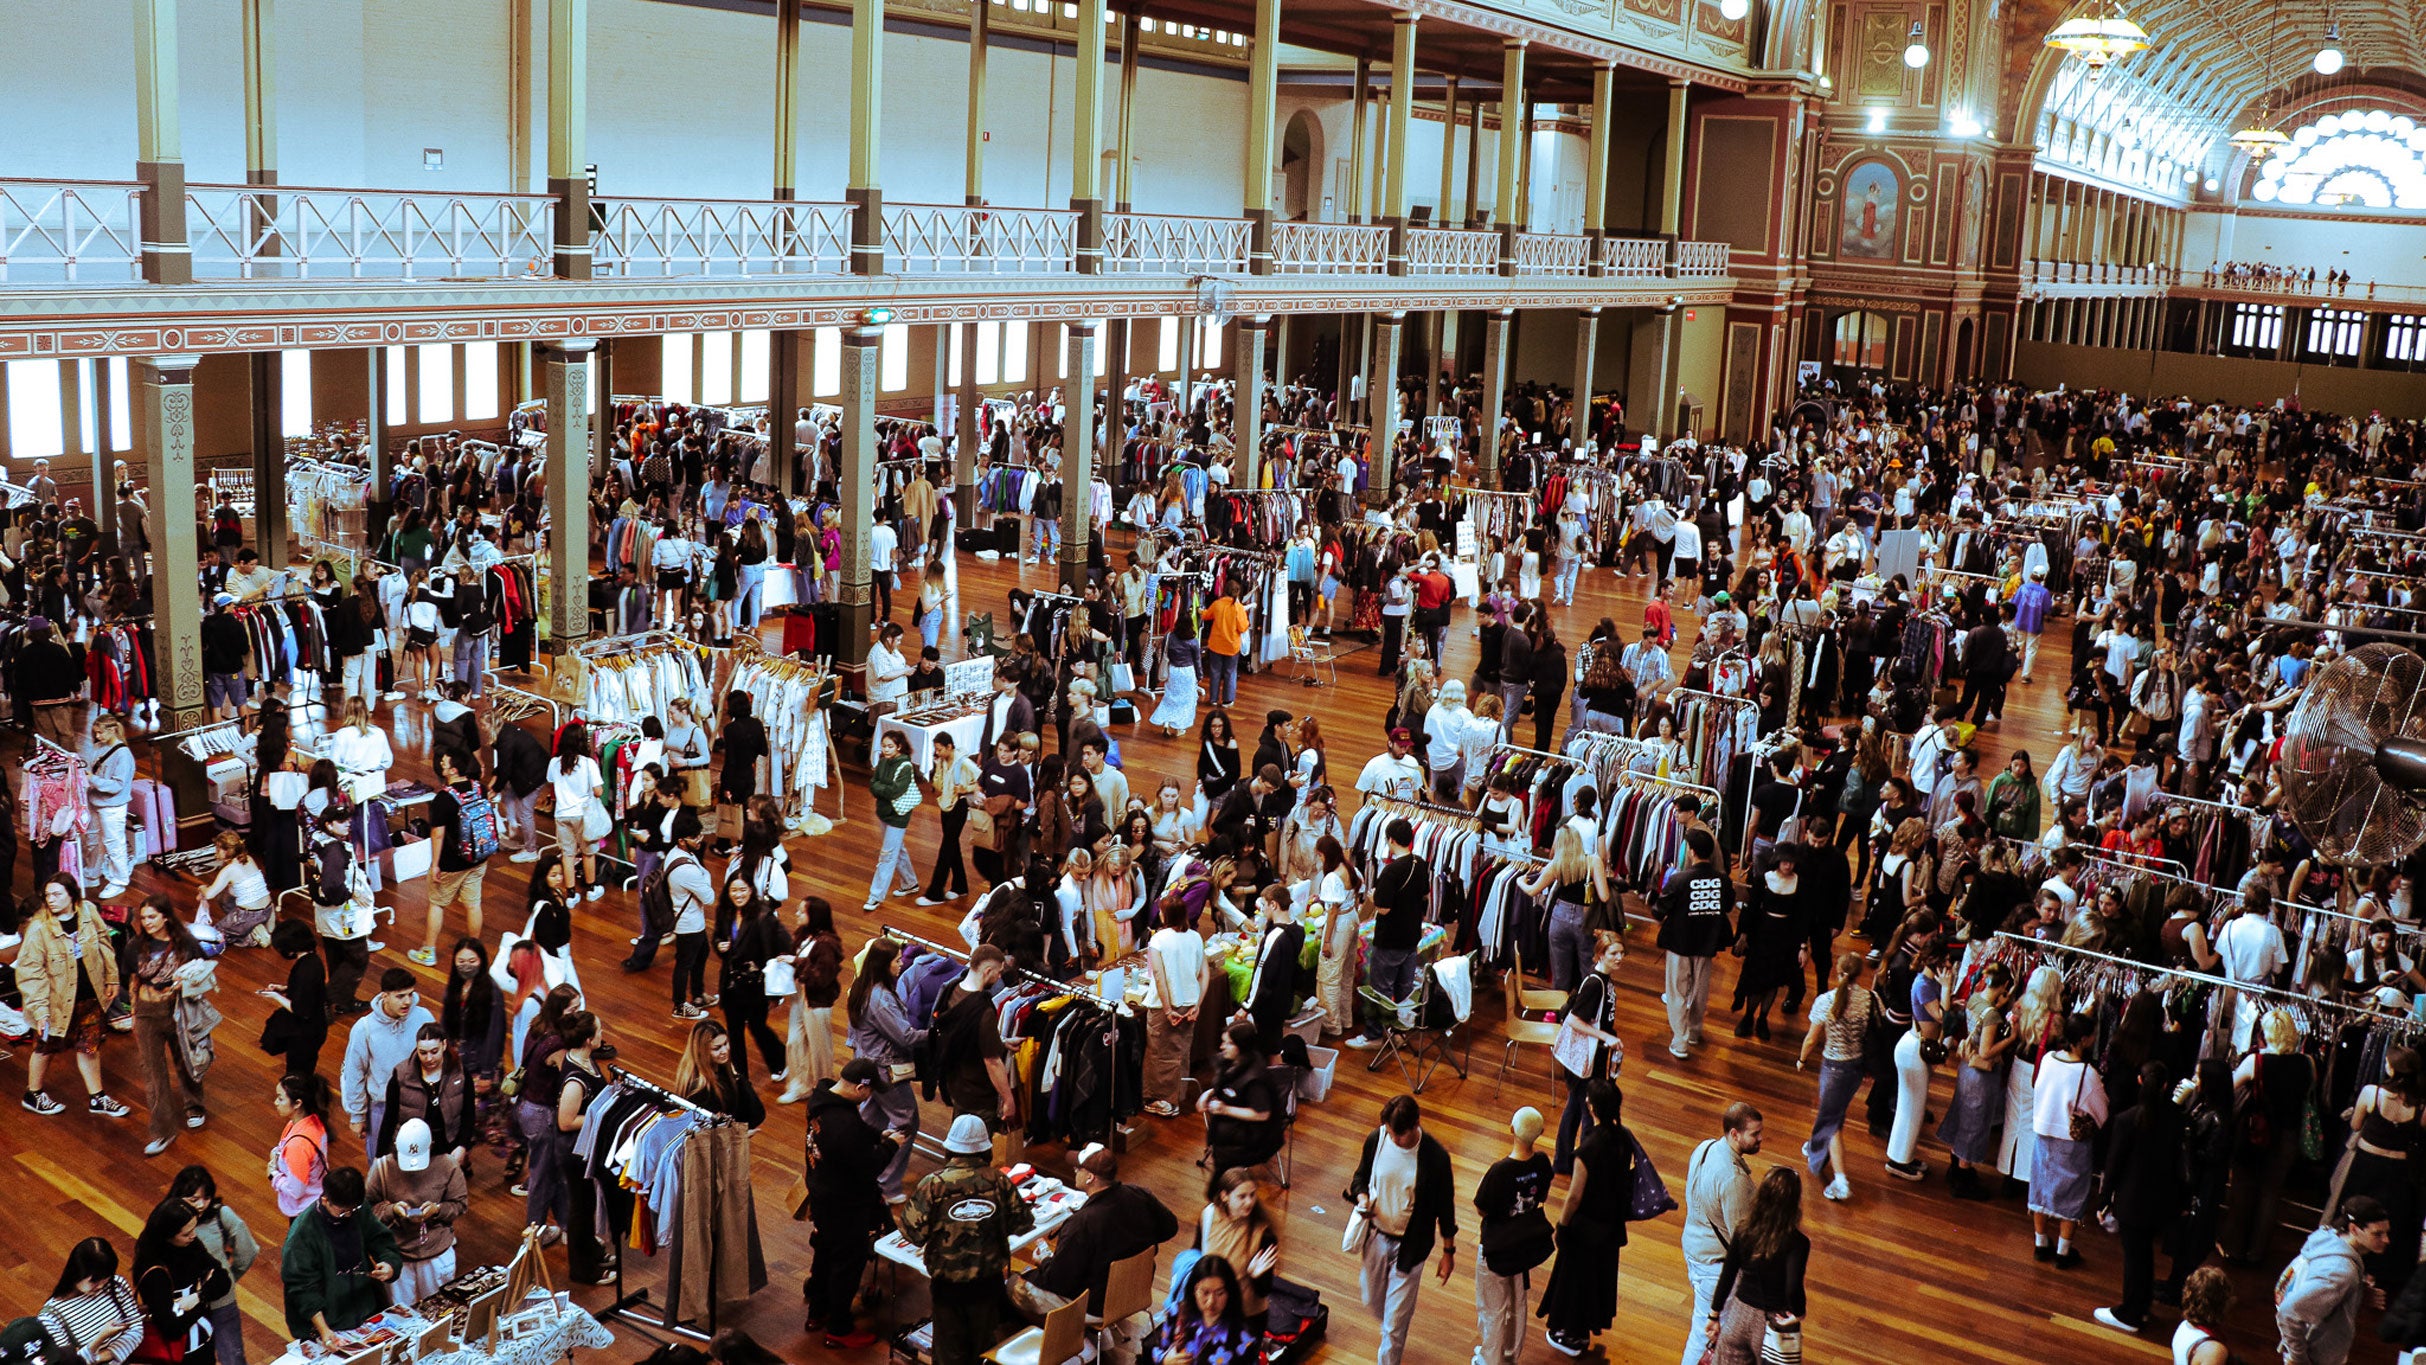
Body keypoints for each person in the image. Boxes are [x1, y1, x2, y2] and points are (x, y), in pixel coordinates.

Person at [1025, 1144, 1179, 1363]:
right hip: (1134, 1291)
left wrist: (1044, 1260)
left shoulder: (1082, 1224)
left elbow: (1058, 1281)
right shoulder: (1139, 1194)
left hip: (1096, 1305)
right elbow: (1170, 1227)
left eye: (1078, 1169)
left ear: (1090, 1177)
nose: (1075, 1172)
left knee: (1014, 1285)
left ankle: (1075, 1343)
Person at [903, 1114, 1034, 1365]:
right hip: (988, 1284)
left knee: (949, 1353)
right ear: (985, 1149)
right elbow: (1023, 1223)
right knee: (985, 1350)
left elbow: (913, 1233)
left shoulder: (933, 1184)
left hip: (947, 1288)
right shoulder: (999, 1181)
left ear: (950, 1148)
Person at [1348, 1094, 1459, 1365]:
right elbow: (1360, 1177)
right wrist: (1362, 1197)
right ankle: (1391, 1326)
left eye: (1400, 1135)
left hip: (1411, 1247)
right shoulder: (1377, 1139)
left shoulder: (1435, 1158)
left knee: (1394, 1325)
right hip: (1375, 1238)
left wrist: (1448, 1252)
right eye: (1391, 1133)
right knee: (1372, 1301)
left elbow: (1446, 1208)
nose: (1395, 1140)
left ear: (1416, 1124)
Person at [801, 1059, 901, 1349]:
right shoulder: (843, 1126)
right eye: (870, 1092)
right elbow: (869, 1164)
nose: (870, 1097)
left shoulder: (822, 1099)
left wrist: (876, 1135)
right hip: (845, 1204)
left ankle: (818, 1312)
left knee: (824, 1253)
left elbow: (855, 1133)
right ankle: (839, 1329)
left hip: (821, 1195)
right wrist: (891, 1145)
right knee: (847, 1264)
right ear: (860, 1088)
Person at [17, 875, 131, 1119]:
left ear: (72, 895)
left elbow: (104, 943)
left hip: (89, 998)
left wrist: (112, 978)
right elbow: (30, 973)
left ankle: (97, 1097)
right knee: (46, 1047)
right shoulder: (39, 928)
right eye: (48, 895)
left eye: (57, 894)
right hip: (55, 1004)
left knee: (90, 1047)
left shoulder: (88, 911)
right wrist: (40, 1011)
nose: (51, 900)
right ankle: (33, 1093)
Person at [1537, 1082, 1635, 1357]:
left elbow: (1574, 1196)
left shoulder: (1588, 1148)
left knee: (1574, 1281)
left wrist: (1562, 1225)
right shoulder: (1623, 1137)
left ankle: (1570, 1335)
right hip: (1611, 1224)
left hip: (1586, 1227)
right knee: (1598, 1279)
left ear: (1591, 1107)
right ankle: (1583, 1333)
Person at [2092, 1062, 2182, 1335]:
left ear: (2140, 1081)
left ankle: (2131, 1312)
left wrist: (2104, 1199)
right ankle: (2140, 1307)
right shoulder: (2176, 1117)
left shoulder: (2127, 1119)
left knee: (2135, 1258)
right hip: (2161, 1200)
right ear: (2166, 1086)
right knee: (2144, 1256)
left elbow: (2114, 1164)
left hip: (2132, 1200)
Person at [1677, 1102, 1762, 1365]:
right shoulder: (1734, 1179)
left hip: (1694, 1248)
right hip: (1714, 1267)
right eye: (1755, 1134)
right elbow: (1741, 1238)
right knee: (1705, 1336)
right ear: (1735, 1134)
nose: (1760, 1139)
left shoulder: (1705, 1148)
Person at [280, 1166, 403, 1346]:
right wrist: (324, 1330)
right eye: (343, 1212)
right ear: (325, 1200)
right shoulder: (302, 1234)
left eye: (353, 1209)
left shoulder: (357, 1209)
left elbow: (381, 1239)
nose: (349, 1215)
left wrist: (390, 1264)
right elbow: (302, 1288)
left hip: (367, 1310)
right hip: (329, 1322)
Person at [845, 938, 929, 1203]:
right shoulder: (881, 998)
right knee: (906, 1121)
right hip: (886, 1070)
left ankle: (855, 1170)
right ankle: (886, 1184)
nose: (902, 963)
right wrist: (937, 1034)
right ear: (883, 964)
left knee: (870, 1121)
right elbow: (905, 1036)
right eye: (896, 960)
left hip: (870, 1065)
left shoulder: (862, 987)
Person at [125, 896, 209, 1157]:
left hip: (179, 1010)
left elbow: (204, 972)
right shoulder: (135, 946)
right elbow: (133, 981)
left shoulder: (186, 944)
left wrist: (188, 983)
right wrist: (134, 1013)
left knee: (186, 1060)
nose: (147, 922)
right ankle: (162, 1130)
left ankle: (194, 1106)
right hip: (147, 1013)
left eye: (152, 917)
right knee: (153, 1073)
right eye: (143, 918)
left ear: (165, 916)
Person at [1472, 1106, 1556, 1365]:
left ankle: (1491, 1359)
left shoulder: (1499, 1171)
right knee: (1518, 1301)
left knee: (1492, 1308)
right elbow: (1542, 1195)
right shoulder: (1542, 1163)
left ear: (1511, 1129)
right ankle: (1510, 1354)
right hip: (1523, 1246)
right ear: (1541, 1132)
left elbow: (1481, 1208)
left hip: (1496, 1249)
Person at [2028, 1013, 2108, 1268]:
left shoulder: (2049, 1059)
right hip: (2072, 1141)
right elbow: (2102, 1112)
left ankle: (2041, 1243)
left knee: (2040, 1189)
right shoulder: (2087, 1073)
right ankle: (2063, 1251)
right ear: (2084, 1039)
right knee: (2072, 1195)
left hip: (2043, 1133)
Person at [1704, 1168, 1809, 1365]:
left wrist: (1714, 1315)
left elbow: (1727, 1275)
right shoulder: (1798, 1242)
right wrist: (1799, 1312)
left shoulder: (1744, 1230)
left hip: (1738, 1315)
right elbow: (1793, 1286)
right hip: (1771, 1323)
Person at [1795, 953, 1873, 1202]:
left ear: (1837, 972)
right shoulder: (1870, 999)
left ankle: (1841, 1180)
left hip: (1834, 1067)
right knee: (1834, 1112)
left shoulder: (1825, 1001)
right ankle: (1816, 1146)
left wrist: (1802, 1059)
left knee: (1832, 1122)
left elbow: (1812, 1038)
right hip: (1857, 1067)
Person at [365, 1118, 469, 1305]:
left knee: (441, 1308)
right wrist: (391, 1210)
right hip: (398, 1254)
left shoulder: (448, 1165)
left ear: (432, 1145)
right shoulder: (382, 1167)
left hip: (436, 1252)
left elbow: (460, 1204)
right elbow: (367, 1208)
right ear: (395, 1145)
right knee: (401, 1312)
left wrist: (437, 1210)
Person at [1346, 819, 1430, 1049]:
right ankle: (1398, 1033)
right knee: (1404, 988)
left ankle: (1373, 1035)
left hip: (1391, 937)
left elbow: (1383, 908)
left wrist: (1373, 897)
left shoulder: (1391, 871)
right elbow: (1425, 894)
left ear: (1391, 840)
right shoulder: (1420, 863)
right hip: (1411, 935)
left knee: (1380, 990)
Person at [2278, 1195, 2392, 1365]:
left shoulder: (2328, 1238)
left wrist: (2359, 1292)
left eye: (2386, 1233)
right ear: (2354, 1229)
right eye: (2377, 1234)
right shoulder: (2340, 1273)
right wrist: (2298, 1358)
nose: (2386, 1240)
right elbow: (2288, 1313)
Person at [166, 1168, 259, 1365]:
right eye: (193, 1199)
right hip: (190, 1306)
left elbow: (248, 1250)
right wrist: (229, 1277)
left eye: (206, 1198)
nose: (201, 1205)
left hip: (207, 1302)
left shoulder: (219, 1215)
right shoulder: (168, 1219)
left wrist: (227, 1279)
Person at [1657, 828, 1734, 1061]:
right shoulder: (1722, 881)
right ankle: (1694, 1031)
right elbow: (1728, 906)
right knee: (1700, 991)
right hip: (1707, 943)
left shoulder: (1679, 879)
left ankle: (1680, 1041)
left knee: (1677, 991)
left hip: (1679, 942)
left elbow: (1659, 909)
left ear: (1691, 851)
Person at [1552, 935, 1625, 1176]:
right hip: (1587, 1059)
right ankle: (1583, 1168)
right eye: (1613, 953)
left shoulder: (1605, 980)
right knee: (1587, 1113)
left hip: (1593, 1057)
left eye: (1621, 953)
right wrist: (1605, 1037)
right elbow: (1574, 1020)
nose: (1619, 958)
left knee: (1575, 1107)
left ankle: (1564, 1161)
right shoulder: (1595, 984)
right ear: (1600, 955)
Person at [131, 1196, 232, 1365]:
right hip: (177, 1354)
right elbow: (172, 1328)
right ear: (167, 1235)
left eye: (194, 1229)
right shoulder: (154, 1273)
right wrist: (204, 1301)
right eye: (186, 1234)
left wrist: (198, 1297)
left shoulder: (190, 1246)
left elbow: (223, 1279)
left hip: (204, 1340)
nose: (193, 1236)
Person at [415, 747, 493, 966]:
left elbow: (438, 834)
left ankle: (428, 951)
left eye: (445, 763)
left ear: (454, 770)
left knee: (437, 903)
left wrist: (435, 864)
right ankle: (474, 950)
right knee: (473, 904)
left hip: (451, 863)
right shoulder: (480, 788)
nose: (441, 764)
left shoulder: (443, 799)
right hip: (478, 856)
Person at [934, 944, 1020, 1142]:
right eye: (998, 972)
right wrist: (1008, 1100)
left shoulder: (952, 989)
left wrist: (999, 1042)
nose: (999, 977)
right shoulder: (983, 1011)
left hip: (955, 1083)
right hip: (978, 1093)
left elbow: (966, 1035)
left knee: (959, 1136)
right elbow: (992, 1062)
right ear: (987, 971)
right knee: (976, 1146)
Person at [341, 970, 434, 1149]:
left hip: (420, 1103)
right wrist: (357, 1115)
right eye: (400, 996)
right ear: (385, 996)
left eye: (410, 994)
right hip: (382, 1107)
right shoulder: (364, 1028)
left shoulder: (424, 1018)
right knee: (381, 1160)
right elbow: (354, 1073)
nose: (407, 1001)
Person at [712, 875, 789, 1083]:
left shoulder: (764, 916)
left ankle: (779, 1060)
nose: (738, 895)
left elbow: (782, 945)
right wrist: (719, 945)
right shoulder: (724, 911)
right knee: (734, 1031)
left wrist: (774, 990)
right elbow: (717, 936)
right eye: (734, 890)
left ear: (751, 890)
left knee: (757, 1026)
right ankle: (741, 1079)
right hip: (731, 982)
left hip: (756, 985)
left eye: (742, 890)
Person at [1522, 824, 1611, 994]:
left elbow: (1532, 890)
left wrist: (1520, 881)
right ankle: (1586, 1005)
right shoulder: (1593, 861)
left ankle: (1560, 1006)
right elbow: (1604, 896)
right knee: (1588, 968)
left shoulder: (1556, 865)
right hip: (1584, 920)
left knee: (1560, 972)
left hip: (1559, 918)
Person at [1198, 1020, 1282, 1191]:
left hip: (1252, 1138)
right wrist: (1209, 1093)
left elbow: (1262, 1114)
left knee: (1221, 1178)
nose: (1222, 1047)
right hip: (1229, 1130)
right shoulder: (1231, 1061)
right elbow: (1227, 1083)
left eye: (1228, 1043)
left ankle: (1219, 1194)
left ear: (1241, 1046)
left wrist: (1225, 1109)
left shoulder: (1255, 1079)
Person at [306, 802, 373, 1015]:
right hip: (343, 914)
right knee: (357, 957)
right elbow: (333, 885)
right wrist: (352, 893)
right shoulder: (335, 850)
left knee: (336, 956)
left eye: (348, 820)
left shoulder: (320, 841)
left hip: (327, 914)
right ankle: (328, 1000)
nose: (348, 824)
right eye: (342, 821)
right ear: (329, 824)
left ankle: (344, 1002)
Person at [1198, 1169, 1281, 1333]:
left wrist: (1256, 1276)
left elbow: (1264, 1290)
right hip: (1212, 1312)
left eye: (1252, 1195)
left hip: (1245, 1318)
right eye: (1242, 1197)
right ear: (1224, 1196)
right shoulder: (1209, 1215)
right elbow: (1198, 1256)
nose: (1249, 1202)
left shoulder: (1264, 1235)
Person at [38, 1238, 144, 1365]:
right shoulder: (51, 1318)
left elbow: (137, 1329)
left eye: (106, 1278)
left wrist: (101, 1356)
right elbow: (70, 1363)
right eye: (95, 1281)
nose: (101, 1286)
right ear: (77, 1273)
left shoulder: (116, 1285)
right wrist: (100, 1338)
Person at [780, 898, 845, 1104]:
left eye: (802, 912)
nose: (797, 914)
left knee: (819, 1048)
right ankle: (800, 1085)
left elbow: (821, 978)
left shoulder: (827, 944)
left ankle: (823, 1088)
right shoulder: (804, 935)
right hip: (800, 996)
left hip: (817, 1001)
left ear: (814, 916)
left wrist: (796, 962)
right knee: (794, 1041)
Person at [375, 1024, 471, 1163]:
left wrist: (463, 1145)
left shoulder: (460, 1073)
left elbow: (468, 1114)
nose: (429, 1058)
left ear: (444, 1045)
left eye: (434, 1051)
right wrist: (380, 1157)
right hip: (412, 1151)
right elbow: (389, 1118)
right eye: (423, 1053)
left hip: (448, 1147)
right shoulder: (401, 1076)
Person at [1151, 1255, 1262, 1365]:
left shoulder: (1243, 1339)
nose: (1211, 1302)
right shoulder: (1177, 1312)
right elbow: (1157, 1350)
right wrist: (1164, 1360)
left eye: (1220, 1293)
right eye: (1205, 1292)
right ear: (1194, 1290)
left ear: (1229, 1293)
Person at [547, 722, 608, 900]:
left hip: (562, 814)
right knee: (588, 853)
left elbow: (551, 781)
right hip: (583, 815)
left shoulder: (554, 763)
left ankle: (571, 894)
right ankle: (591, 889)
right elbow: (598, 791)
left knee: (568, 854)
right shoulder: (588, 763)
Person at [919, 732, 980, 906]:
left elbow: (982, 779)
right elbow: (937, 786)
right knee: (952, 846)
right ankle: (960, 886)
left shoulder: (964, 763)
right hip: (945, 805)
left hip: (959, 805)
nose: (937, 752)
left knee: (946, 849)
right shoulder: (943, 762)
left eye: (940, 749)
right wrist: (937, 767)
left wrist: (965, 788)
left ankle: (935, 892)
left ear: (949, 747)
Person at [866, 730, 924, 909]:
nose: (886, 749)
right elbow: (873, 785)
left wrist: (880, 788)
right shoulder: (883, 762)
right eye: (884, 746)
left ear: (899, 747)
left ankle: (875, 895)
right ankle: (910, 883)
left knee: (887, 855)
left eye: (890, 746)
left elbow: (894, 791)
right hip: (884, 812)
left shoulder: (905, 767)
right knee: (897, 850)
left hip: (898, 815)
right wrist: (883, 789)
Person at [673, 1019, 766, 1129]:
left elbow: (756, 1114)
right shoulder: (700, 1090)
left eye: (725, 1043)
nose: (725, 1051)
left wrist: (737, 1077)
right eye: (717, 1048)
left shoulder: (720, 1068)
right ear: (702, 1051)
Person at [85, 713, 137, 898]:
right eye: (96, 733)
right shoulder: (98, 747)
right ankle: (92, 872)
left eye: (100, 733)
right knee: (93, 840)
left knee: (114, 844)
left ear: (113, 730)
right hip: (95, 800)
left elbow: (117, 785)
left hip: (112, 806)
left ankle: (119, 880)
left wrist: (93, 779)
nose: (97, 736)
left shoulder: (123, 755)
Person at [269, 1072, 334, 1218]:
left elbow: (295, 1190)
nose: (275, 1102)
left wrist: (273, 1175)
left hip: (304, 1211)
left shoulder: (298, 1145)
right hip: (316, 1199)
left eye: (280, 1098)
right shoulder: (312, 1122)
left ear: (298, 1103)